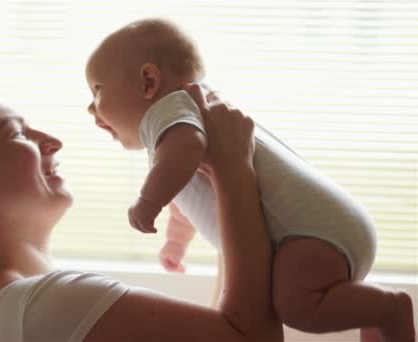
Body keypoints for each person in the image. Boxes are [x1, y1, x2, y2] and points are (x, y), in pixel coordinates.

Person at [0, 81, 283, 341]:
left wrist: (217, 194)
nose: (52, 141)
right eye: (17, 134)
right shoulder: (42, 304)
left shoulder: (6, 307)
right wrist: (233, 170)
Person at [85, 18, 415, 341]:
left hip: (313, 234)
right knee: (299, 302)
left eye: (97, 89)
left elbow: (187, 148)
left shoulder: (171, 109)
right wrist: (177, 241)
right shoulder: (184, 125)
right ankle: (378, 320)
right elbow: (188, 193)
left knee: (297, 305)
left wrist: (147, 201)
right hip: (324, 228)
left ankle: (390, 308)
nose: (90, 108)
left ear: (148, 81)